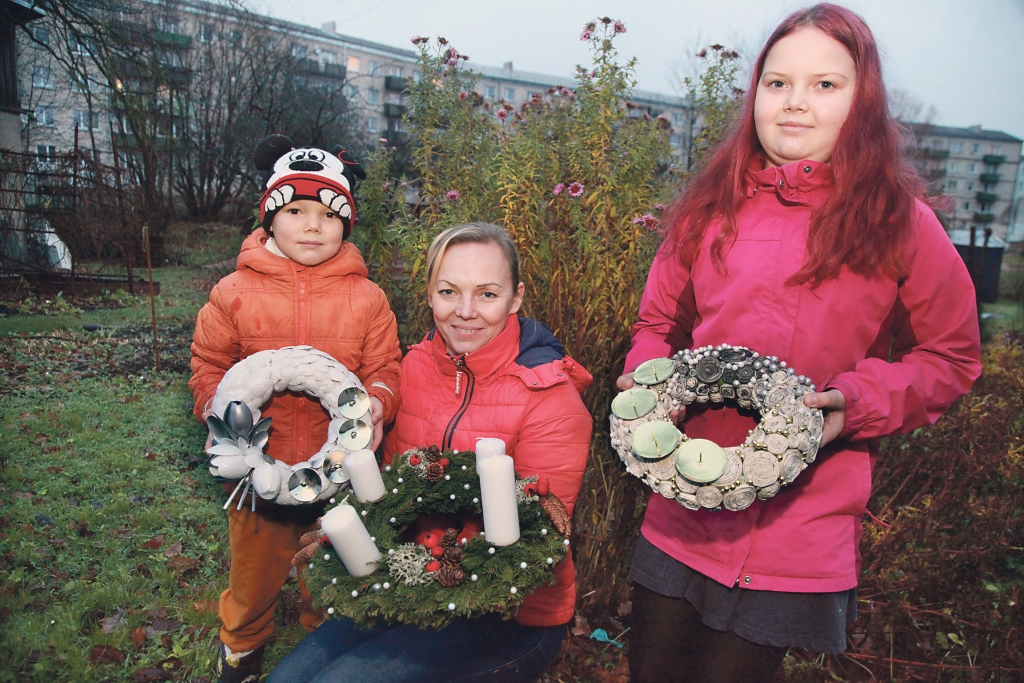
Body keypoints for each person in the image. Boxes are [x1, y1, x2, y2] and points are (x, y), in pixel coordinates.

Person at [617, 5, 982, 683]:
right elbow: (656, 327)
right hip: (683, 511)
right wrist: (648, 386)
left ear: (862, 100)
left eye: (824, 85)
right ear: (754, 91)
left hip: (796, 527)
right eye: (778, 82)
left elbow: (951, 357)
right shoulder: (709, 207)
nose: (794, 103)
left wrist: (856, 403)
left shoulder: (902, 224)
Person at [268, 222, 594, 683]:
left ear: (516, 298)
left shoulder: (550, 398)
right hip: (406, 583)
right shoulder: (414, 367)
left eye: (487, 294)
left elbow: (536, 539)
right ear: (429, 293)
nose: (465, 312)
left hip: (507, 615)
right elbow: (386, 487)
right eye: (448, 291)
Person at [190, 136, 402, 683]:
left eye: (328, 215)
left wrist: (376, 404)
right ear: (269, 216)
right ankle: (242, 649)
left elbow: (385, 366)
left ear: (347, 223)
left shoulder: (368, 299)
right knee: (253, 577)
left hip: (340, 471)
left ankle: (323, 648)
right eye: (295, 211)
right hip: (259, 473)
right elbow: (208, 365)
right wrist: (223, 416)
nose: (312, 225)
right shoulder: (232, 292)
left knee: (331, 574)